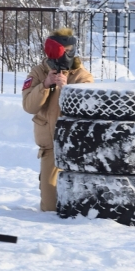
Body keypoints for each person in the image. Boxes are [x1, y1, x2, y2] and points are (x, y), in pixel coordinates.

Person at [22, 27, 94, 212]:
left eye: (70, 51)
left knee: (81, 205)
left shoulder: (81, 75)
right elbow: (29, 107)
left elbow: (87, 109)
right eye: (64, 51)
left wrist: (67, 89)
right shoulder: (39, 72)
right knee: (50, 207)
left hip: (75, 145)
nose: (67, 55)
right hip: (50, 147)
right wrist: (45, 85)